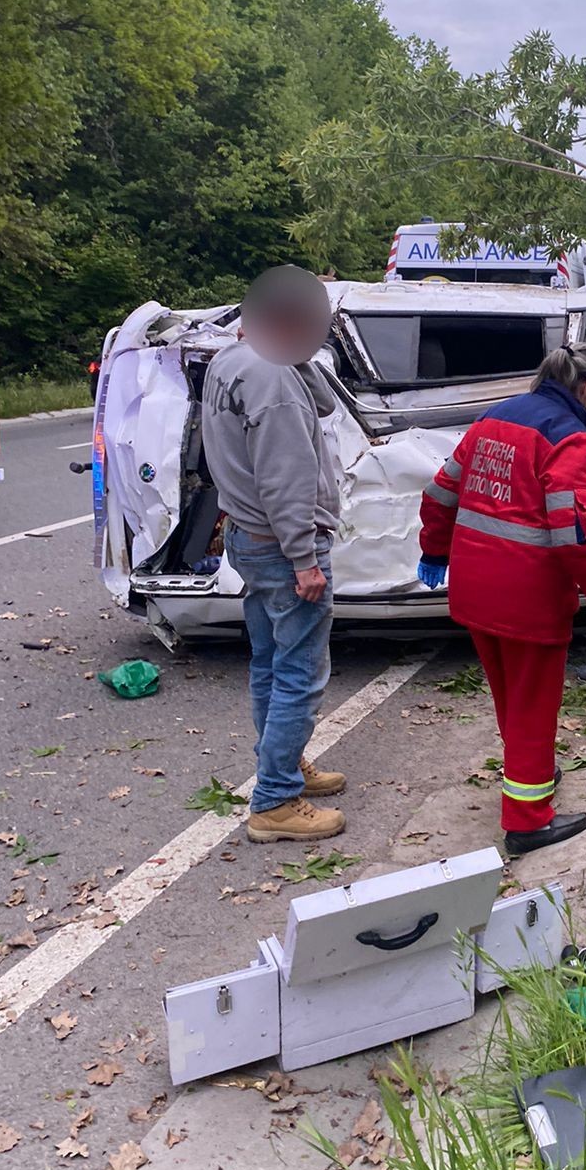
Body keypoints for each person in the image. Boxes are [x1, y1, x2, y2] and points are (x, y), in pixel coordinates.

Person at [418, 341, 586, 855]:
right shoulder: (572, 438)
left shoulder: (496, 418)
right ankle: (528, 820)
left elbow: (440, 491)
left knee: (511, 697)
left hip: (475, 589)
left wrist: (435, 549)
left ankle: (530, 772)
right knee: (534, 704)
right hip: (529, 598)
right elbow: (573, 532)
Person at [202, 266, 347, 844]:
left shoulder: (231, 360)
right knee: (300, 673)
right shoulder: (275, 383)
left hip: (247, 537)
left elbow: (327, 406)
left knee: (268, 663)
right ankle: (275, 802)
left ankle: (284, 768)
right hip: (285, 546)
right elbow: (286, 479)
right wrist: (304, 561)